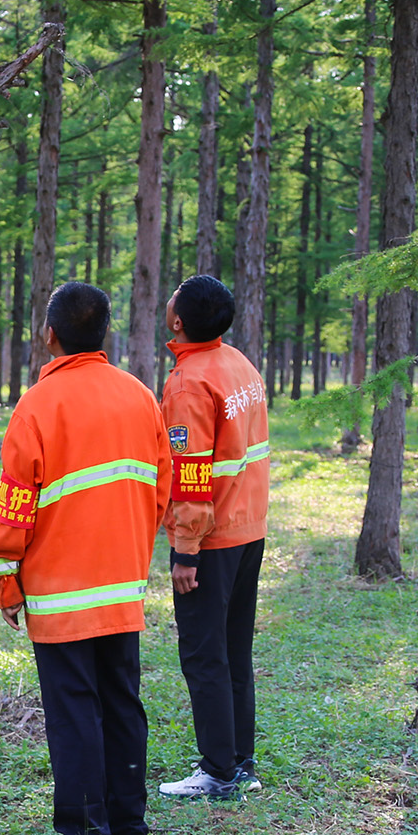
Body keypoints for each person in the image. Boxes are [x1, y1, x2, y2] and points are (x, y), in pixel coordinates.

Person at [0, 282, 175, 835]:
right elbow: (160, 488)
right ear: (104, 333)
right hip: (122, 587)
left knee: (73, 714)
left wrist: (4, 584)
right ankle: (131, 831)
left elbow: (13, 510)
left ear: (50, 335)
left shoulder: (37, 407)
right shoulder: (141, 397)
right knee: (122, 704)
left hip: (61, 597)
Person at [156, 274, 271, 801]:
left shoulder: (188, 383)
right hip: (249, 530)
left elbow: (191, 475)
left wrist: (184, 549)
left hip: (214, 539)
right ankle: (239, 761)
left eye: (173, 294)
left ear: (179, 320)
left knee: (205, 655)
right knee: (233, 650)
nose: (168, 297)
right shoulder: (237, 363)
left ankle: (218, 771)